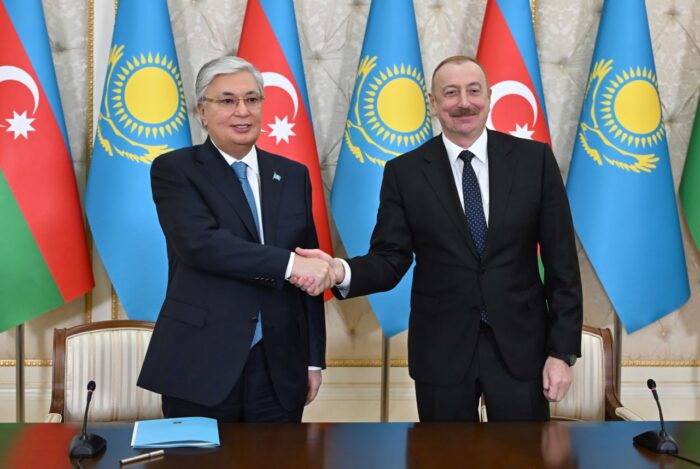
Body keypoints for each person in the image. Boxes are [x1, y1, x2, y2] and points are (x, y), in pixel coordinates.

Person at [296, 56, 582, 422]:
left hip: (522, 350)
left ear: (489, 97)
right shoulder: (405, 172)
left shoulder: (534, 161)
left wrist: (561, 353)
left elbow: (562, 266)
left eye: (473, 91)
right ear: (433, 103)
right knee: (441, 452)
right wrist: (339, 271)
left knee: (523, 452)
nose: (464, 102)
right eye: (450, 93)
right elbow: (390, 259)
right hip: (441, 353)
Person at [137, 56, 333, 422]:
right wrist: (291, 265)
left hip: (279, 367)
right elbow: (202, 245)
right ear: (202, 111)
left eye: (252, 99)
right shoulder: (175, 170)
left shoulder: (293, 175)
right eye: (227, 100)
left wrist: (312, 360)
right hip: (201, 361)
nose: (242, 111)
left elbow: (310, 268)